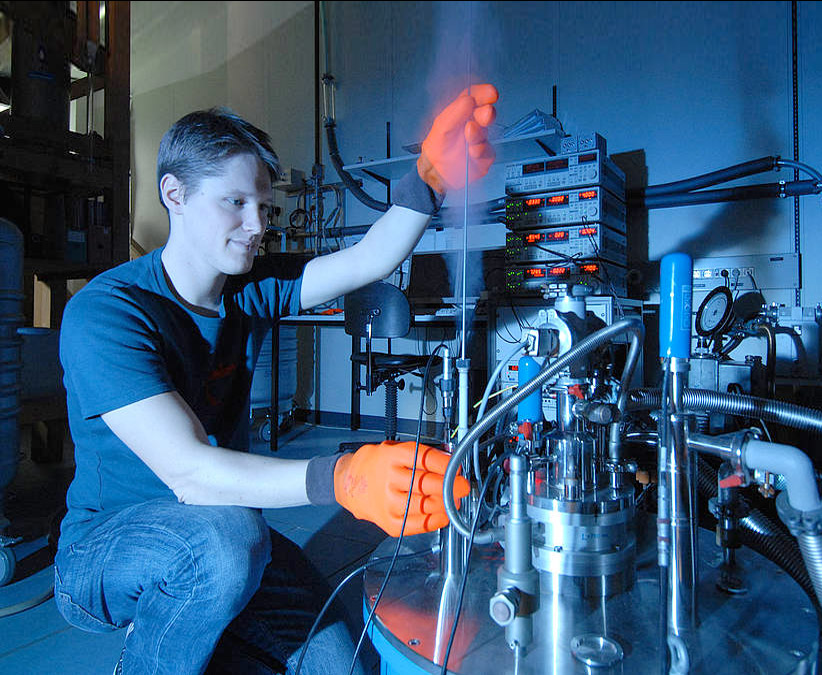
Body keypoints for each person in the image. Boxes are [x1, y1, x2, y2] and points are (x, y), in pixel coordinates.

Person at [53, 83, 499, 674]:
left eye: (263, 208)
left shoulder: (251, 288)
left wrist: (430, 180)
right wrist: (341, 478)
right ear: (174, 194)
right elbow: (189, 473)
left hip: (226, 532)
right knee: (223, 544)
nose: (255, 224)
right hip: (107, 549)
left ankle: (213, 626)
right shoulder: (109, 311)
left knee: (339, 666)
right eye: (234, 202)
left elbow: (368, 259)